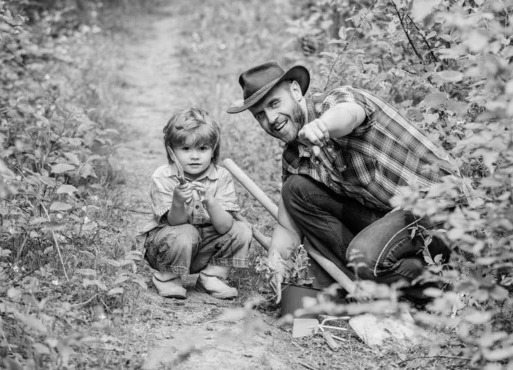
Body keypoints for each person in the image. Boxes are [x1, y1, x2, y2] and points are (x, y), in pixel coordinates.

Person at [227, 61, 463, 305]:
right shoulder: (294, 155)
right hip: (393, 219)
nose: (271, 119)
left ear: (296, 91)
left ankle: (446, 290)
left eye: (274, 104)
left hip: (438, 204)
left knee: (365, 257)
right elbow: (288, 226)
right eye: (260, 115)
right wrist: (276, 263)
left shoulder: (335, 102)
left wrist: (324, 126)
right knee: (295, 189)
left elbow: (349, 114)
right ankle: (378, 278)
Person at [138, 107, 252, 300]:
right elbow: (175, 223)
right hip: (168, 248)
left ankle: (211, 276)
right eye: (185, 148)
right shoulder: (163, 177)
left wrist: (210, 201)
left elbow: (225, 226)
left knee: (242, 229)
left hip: (203, 250)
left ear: (213, 149)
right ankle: (167, 277)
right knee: (187, 232)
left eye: (202, 148)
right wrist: (178, 201)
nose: (194, 156)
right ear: (171, 151)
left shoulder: (221, 177)